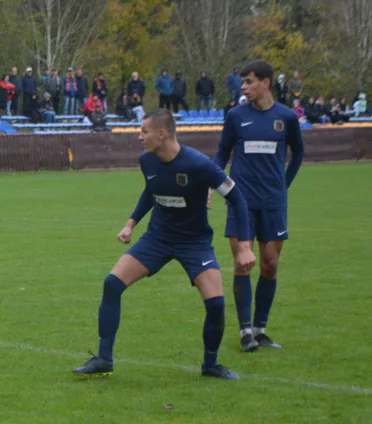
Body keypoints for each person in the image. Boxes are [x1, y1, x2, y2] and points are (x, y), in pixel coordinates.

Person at [73, 108, 254, 380]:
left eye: (143, 131)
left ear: (162, 133)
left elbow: (237, 198)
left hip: (194, 242)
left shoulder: (199, 164)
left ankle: (211, 365)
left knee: (215, 304)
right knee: (112, 284)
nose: (139, 136)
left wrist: (244, 247)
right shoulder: (147, 161)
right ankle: (103, 359)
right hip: (157, 238)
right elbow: (151, 190)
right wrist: (131, 223)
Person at [212, 59, 304, 352]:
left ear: (266, 82)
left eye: (249, 81)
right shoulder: (236, 116)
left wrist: (283, 185)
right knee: (243, 263)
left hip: (273, 203)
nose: (244, 87)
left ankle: (260, 330)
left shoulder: (286, 117)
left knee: (270, 264)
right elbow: (222, 152)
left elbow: (299, 153)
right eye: (243, 82)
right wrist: (213, 185)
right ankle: (244, 333)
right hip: (241, 201)